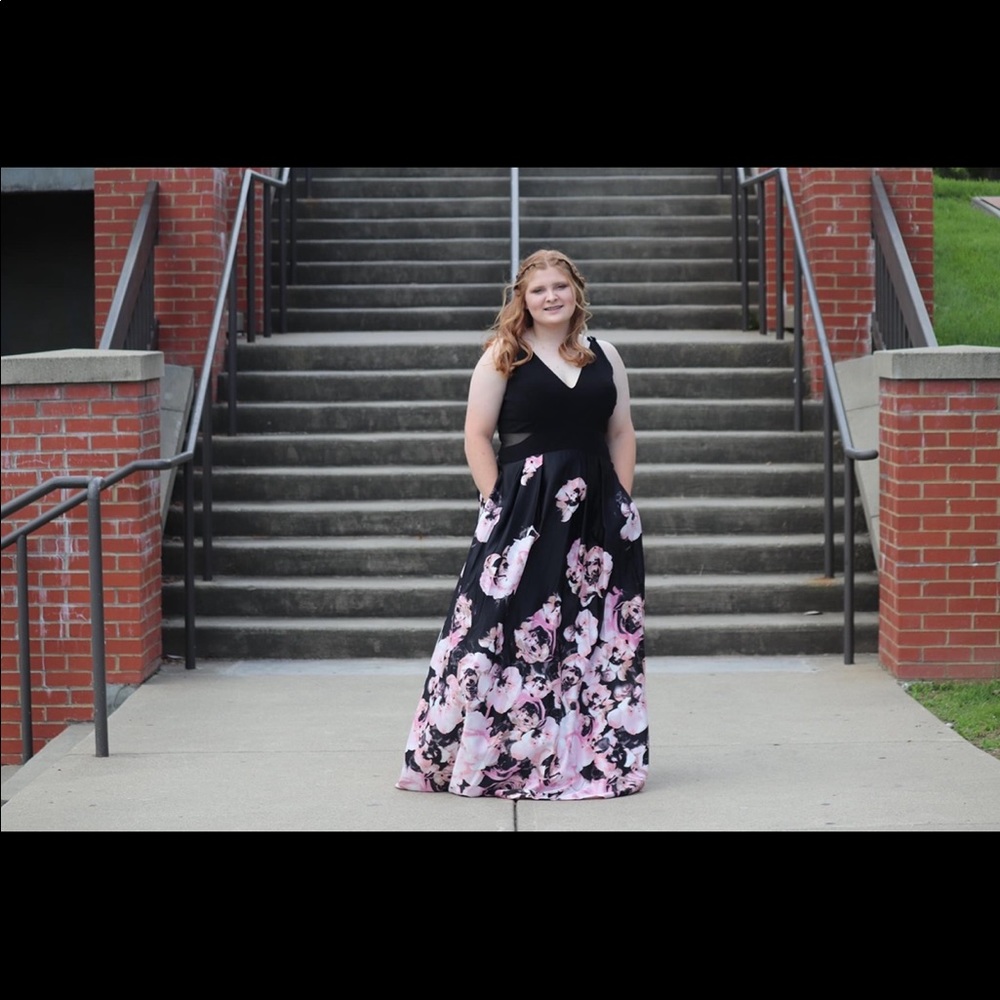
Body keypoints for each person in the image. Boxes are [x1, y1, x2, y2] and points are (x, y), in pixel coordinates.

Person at [395, 249, 648, 800]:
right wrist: (496, 505)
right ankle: (493, 756)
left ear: (576, 292)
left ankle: (588, 754)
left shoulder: (605, 354)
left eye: (561, 286)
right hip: (524, 515)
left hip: (598, 518)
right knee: (496, 634)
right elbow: (475, 434)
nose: (551, 296)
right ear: (523, 300)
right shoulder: (503, 355)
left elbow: (622, 431)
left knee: (593, 636)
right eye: (539, 290)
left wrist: (621, 501)